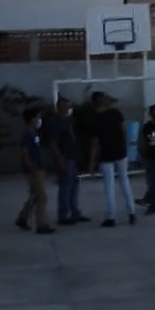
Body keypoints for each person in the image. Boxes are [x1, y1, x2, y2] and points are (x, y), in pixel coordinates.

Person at [89, 92, 136, 227]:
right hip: (120, 151)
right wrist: (126, 148)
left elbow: (95, 142)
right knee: (124, 180)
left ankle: (111, 216)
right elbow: (124, 131)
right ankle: (131, 212)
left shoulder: (96, 119)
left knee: (109, 185)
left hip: (106, 153)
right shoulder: (116, 113)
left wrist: (92, 160)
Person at [42, 96, 87, 226]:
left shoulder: (69, 121)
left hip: (72, 156)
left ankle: (75, 212)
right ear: (59, 107)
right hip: (64, 156)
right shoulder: (55, 122)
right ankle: (63, 215)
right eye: (65, 105)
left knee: (74, 184)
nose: (67, 107)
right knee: (65, 186)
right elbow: (53, 143)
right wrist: (60, 159)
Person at [14, 107, 54, 235]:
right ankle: (41, 224)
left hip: (38, 169)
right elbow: (25, 153)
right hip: (33, 170)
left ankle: (22, 218)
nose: (39, 120)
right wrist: (33, 169)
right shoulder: (27, 135)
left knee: (34, 195)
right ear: (32, 119)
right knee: (42, 197)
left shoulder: (33, 134)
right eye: (38, 117)